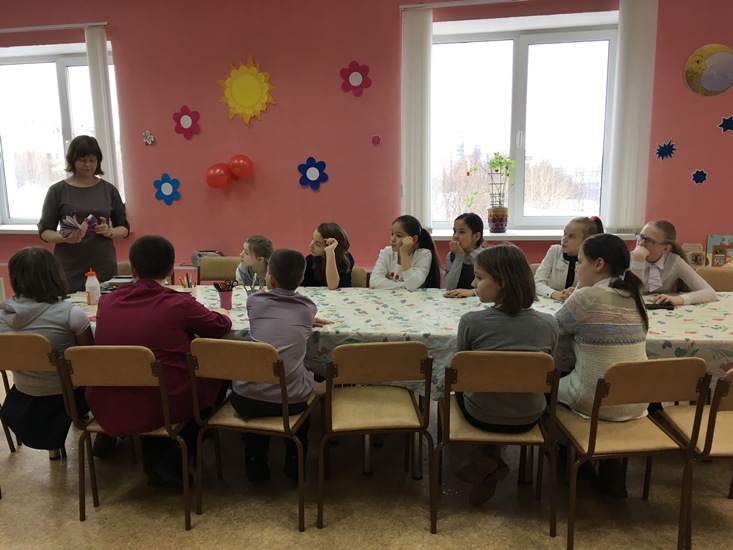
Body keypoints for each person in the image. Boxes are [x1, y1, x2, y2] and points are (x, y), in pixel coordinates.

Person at [86, 235, 231, 486]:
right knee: (217, 369)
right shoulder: (179, 303)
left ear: (132, 269)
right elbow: (218, 327)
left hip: (109, 399)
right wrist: (223, 314)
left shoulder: (107, 302)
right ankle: (182, 444)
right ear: (171, 270)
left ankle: (145, 446)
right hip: (164, 402)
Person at [453, 244, 559, 506]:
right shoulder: (548, 324)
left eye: (479, 277)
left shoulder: (471, 322)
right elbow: (550, 369)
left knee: (455, 390)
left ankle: (485, 457)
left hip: (480, 415)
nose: (473, 283)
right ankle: (490, 461)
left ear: (500, 283)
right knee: (507, 393)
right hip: (529, 416)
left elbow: (459, 374)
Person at [555, 233, 649, 498]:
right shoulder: (635, 295)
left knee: (544, 387)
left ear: (598, 264)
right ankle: (610, 468)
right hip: (637, 400)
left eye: (580, 262)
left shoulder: (587, 297)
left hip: (593, 399)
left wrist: (577, 294)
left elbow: (553, 331)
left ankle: (569, 457)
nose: (577, 269)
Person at [231, 249, 320, 482]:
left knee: (257, 387)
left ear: (270, 279)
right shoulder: (308, 308)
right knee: (302, 380)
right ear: (301, 279)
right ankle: (295, 460)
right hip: (291, 401)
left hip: (245, 398)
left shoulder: (254, 301)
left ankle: (255, 459)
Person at [0, 247, 94, 459]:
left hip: (22, 394)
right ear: (55, 274)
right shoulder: (71, 314)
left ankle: (54, 452)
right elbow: (88, 360)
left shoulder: (2, 314)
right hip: (66, 397)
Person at [38, 135, 130, 292]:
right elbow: (45, 231)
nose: (88, 165)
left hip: (103, 264)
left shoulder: (109, 190)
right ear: (72, 161)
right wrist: (63, 238)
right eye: (82, 160)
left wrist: (109, 232)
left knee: (104, 302)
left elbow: (124, 229)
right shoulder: (57, 191)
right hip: (69, 265)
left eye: (92, 160)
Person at [630, 219, 717, 305]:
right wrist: (638, 261)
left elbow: (710, 292)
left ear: (665, 249)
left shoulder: (674, 262)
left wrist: (679, 299)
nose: (640, 243)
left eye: (649, 241)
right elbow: (632, 296)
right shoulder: (627, 259)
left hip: (665, 310)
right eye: (640, 237)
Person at [535, 216, 604, 301]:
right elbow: (536, 282)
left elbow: (596, 290)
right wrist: (555, 294)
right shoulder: (554, 251)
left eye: (571, 236)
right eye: (564, 234)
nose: (564, 239)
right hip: (551, 302)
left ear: (587, 240)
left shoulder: (592, 260)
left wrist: (576, 292)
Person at [369, 215, 441, 291]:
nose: (393, 239)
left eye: (398, 236)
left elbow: (412, 285)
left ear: (414, 239)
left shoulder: (424, 254)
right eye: (392, 234)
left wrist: (404, 253)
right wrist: (404, 286)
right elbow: (374, 281)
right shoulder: (386, 252)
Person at [302, 222, 354, 289]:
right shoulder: (309, 260)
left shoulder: (346, 260)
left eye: (318, 244)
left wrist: (330, 252)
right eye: (312, 239)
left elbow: (332, 286)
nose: (310, 245)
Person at [443, 213, 484, 298]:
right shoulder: (451, 256)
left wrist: (472, 292)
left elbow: (492, 288)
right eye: (454, 231)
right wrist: (459, 257)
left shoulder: (487, 257)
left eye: (462, 232)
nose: (455, 236)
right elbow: (449, 287)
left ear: (476, 236)